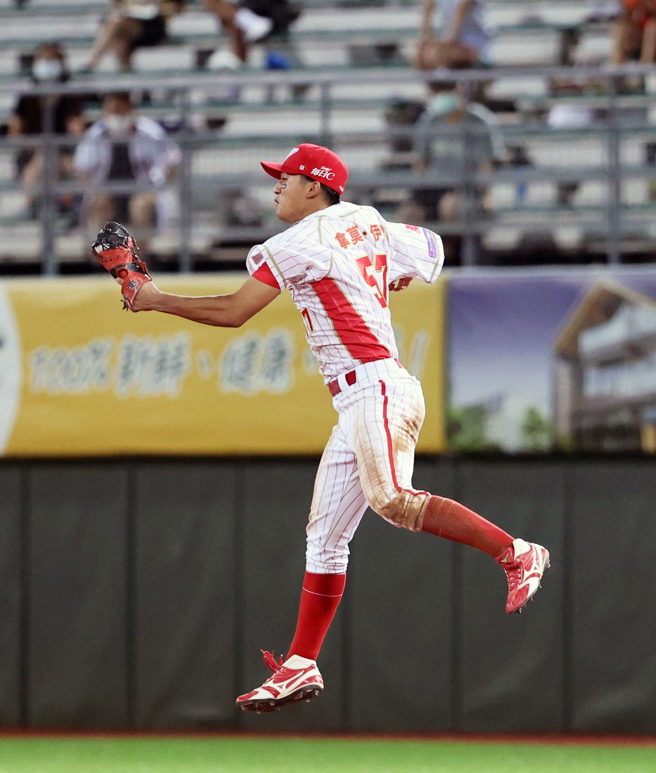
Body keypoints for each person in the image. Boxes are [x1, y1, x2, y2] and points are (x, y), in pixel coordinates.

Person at [92, 142, 550, 713]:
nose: (275, 187)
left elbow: (235, 311)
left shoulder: (297, 241)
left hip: (376, 388)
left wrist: (155, 298)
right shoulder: (368, 219)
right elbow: (432, 249)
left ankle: (516, 552)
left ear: (315, 185)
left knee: (392, 500)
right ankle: (301, 663)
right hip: (364, 396)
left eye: (284, 179)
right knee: (325, 539)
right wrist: (384, 275)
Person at [398, 82, 504, 261]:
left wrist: (486, 194)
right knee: (409, 216)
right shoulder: (430, 121)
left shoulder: (480, 122)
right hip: (432, 186)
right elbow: (422, 163)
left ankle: (447, 255)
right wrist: (414, 196)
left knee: (450, 207)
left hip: (465, 186)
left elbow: (486, 165)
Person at [74, 91, 180, 255]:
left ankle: (138, 262)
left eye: (121, 108)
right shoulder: (96, 134)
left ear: (130, 109)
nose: (117, 114)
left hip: (140, 190)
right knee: (100, 205)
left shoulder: (149, 131)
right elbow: (81, 167)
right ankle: (104, 263)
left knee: (141, 206)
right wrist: (94, 190)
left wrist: (158, 189)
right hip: (106, 192)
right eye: (113, 109)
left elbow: (172, 158)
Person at [7, 42, 86, 220]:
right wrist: (33, 145)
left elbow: (77, 127)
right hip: (33, 153)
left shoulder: (69, 96)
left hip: (63, 153)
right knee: (41, 161)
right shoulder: (27, 97)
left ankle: (71, 207)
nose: (48, 63)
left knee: (73, 166)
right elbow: (15, 130)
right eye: (44, 59)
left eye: (53, 59)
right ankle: (34, 207)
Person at [84, 0, 184, 73]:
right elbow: (117, 4)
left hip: (153, 26)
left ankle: (93, 62)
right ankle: (125, 77)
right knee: (119, 38)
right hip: (127, 23)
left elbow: (178, 7)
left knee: (115, 25)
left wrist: (157, 9)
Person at [202, 0, 301, 70]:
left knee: (238, 27)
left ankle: (248, 22)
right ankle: (249, 22)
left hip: (273, 10)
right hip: (250, 9)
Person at [413, 0, 493, 71]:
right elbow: (429, 3)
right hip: (453, 37)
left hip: (474, 37)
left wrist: (449, 39)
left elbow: (464, 5)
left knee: (439, 54)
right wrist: (424, 37)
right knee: (422, 56)